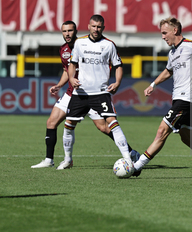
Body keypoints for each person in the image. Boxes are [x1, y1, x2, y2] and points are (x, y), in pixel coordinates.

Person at [31, 20, 139, 169]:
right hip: (74, 93)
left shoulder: (84, 44)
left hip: (95, 92)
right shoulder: (63, 50)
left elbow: (111, 64)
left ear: (76, 31)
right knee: (52, 122)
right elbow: (66, 70)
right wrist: (59, 85)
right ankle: (49, 160)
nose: (67, 34)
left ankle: (130, 152)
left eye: (70, 31)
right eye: (64, 31)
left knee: (103, 127)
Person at [132, 17, 192, 178]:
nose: (162, 36)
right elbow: (168, 71)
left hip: (187, 97)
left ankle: (137, 166)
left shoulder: (190, 45)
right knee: (186, 136)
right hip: (179, 97)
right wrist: (153, 84)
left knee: (162, 131)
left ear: (175, 30)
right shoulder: (172, 52)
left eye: (164, 33)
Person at [63, 14, 136, 169]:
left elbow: (118, 66)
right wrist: (71, 78)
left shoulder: (109, 45)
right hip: (80, 93)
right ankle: (67, 160)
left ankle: (128, 159)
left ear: (103, 28)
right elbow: (72, 63)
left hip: (101, 93)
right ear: (88, 26)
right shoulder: (80, 43)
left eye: (99, 27)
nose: (96, 29)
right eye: (93, 26)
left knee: (113, 124)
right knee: (69, 125)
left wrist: (117, 82)